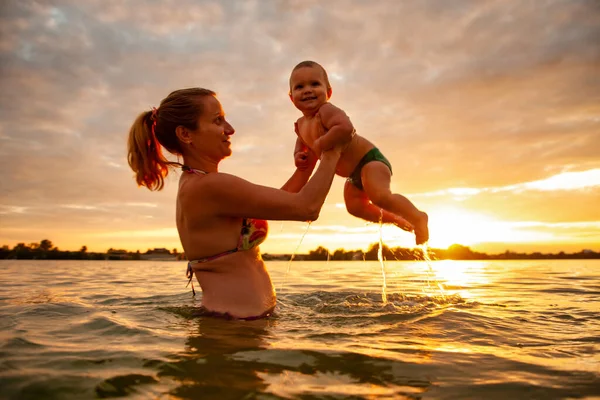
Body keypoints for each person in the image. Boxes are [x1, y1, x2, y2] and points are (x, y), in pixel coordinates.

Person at [127, 87, 344, 320]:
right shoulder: (209, 186)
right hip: (234, 329)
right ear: (186, 134)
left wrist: (306, 166)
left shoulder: (200, 184)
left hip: (237, 325)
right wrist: (333, 148)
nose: (230, 129)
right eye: (218, 120)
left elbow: (281, 202)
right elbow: (306, 208)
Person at [289, 60, 429, 245]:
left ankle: (418, 216)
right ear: (291, 97)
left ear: (329, 92)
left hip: (369, 161)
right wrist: (299, 156)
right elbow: (302, 143)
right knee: (355, 207)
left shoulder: (326, 111)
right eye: (300, 87)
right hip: (354, 175)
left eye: (315, 84)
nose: (307, 90)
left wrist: (322, 142)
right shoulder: (300, 124)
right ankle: (397, 219)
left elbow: (345, 128)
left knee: (380, 196)